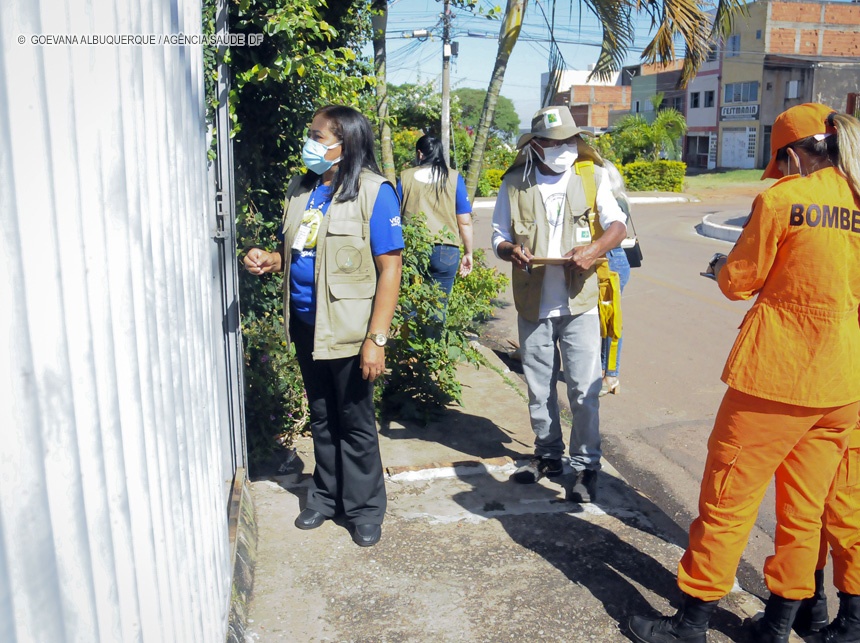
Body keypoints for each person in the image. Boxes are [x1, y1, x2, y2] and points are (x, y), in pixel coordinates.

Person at [628, 102, 860, 643]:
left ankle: (691, 624)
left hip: (774, 379)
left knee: (727, 501)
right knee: (805, 510)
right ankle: (778, 627)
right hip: (842, 383)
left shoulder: (782, 199)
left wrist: (720, 268)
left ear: (792, 155)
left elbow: (739, 280)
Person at [243, 105, 403, 548]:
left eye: (317, 136)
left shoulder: (374, 192)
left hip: (350, 330)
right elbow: (299, 250)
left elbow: (390, 269)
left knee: (354, 420)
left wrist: (376, 339)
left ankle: (365, 508)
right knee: (321, 415)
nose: (309, 143)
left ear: (344, 143)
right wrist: (271, 259)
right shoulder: (304, 188)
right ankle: (326, 497)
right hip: (306, 324)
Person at [491, 106, 627, 503]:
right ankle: (548, 455)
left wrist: (594, 249)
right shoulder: (515, 183)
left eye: (568, 140)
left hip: (579, 300)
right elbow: (498, 236)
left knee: (585, 389)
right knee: (539, 388)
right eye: (553, 142)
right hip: (534, 303)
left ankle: (586, 465)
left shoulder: (591, 176)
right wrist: (510, 250)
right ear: (535, 145)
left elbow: (617, 225)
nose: (562, 147)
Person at [793, 421, 860, 641]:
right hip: (818, 427)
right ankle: (810, 605)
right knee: (808, 518)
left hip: (848, 431)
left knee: (847, 526)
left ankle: (852, 625)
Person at [398, 134, 474, 303]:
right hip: (446, 250)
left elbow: (394, 215)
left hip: (413, 249)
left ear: (420, 154)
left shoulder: (405, 177)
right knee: (439, 307)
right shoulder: (454, 177)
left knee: (410, 304)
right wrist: (468, 252)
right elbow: (465, 221)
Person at [598, 161, 632, 397]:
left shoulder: (613, 202)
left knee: (610, 321)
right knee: (601, 320)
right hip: (613, 259)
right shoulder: (620, 199)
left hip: (611, 260)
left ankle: (611, 374)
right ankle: (604, 372)